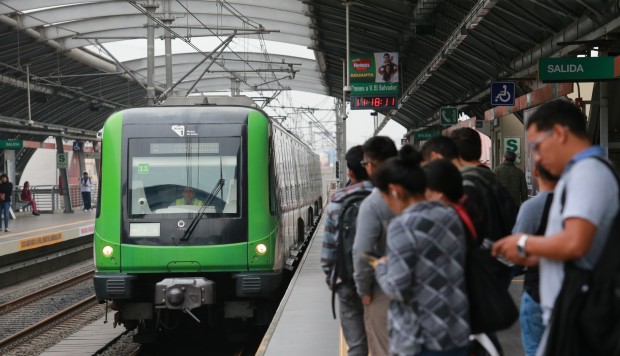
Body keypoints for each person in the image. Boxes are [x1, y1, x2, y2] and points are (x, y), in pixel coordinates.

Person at [491, 99, 619, 355]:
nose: (536, 157)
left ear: (560, 133)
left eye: (537, 146)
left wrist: (523, 243)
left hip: (579, 318)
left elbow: (574, 243)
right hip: (568, 314)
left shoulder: (588, 173)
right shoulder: (579, 174)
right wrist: (530, 253)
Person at [372, 146, 470, 356]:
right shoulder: (449, 214)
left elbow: (397, 288)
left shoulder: (403, 225)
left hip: (421, 338)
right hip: (456, 331)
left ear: (395, 190)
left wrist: (381, 267)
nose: (387, 204)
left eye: (384, 196)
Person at [320, 145, 373, 356]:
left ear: (350, 171)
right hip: (380, 283)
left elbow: (329, 250)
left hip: (347, 281)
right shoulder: (387, 196)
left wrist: (335, 282)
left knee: (357, 347)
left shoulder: (338, 200)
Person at [352, 136, 397, 356]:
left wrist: (363, 289)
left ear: (370, 165)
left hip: (383, 290)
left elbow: (362, 253)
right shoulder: (420, 194)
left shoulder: (375, 202)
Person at [511, 164, 558, 356]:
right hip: (574, 292)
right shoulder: (579, 205)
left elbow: (517, 252)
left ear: (536, 173)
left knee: (535, 348)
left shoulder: (533, 207)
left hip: (537, 289)